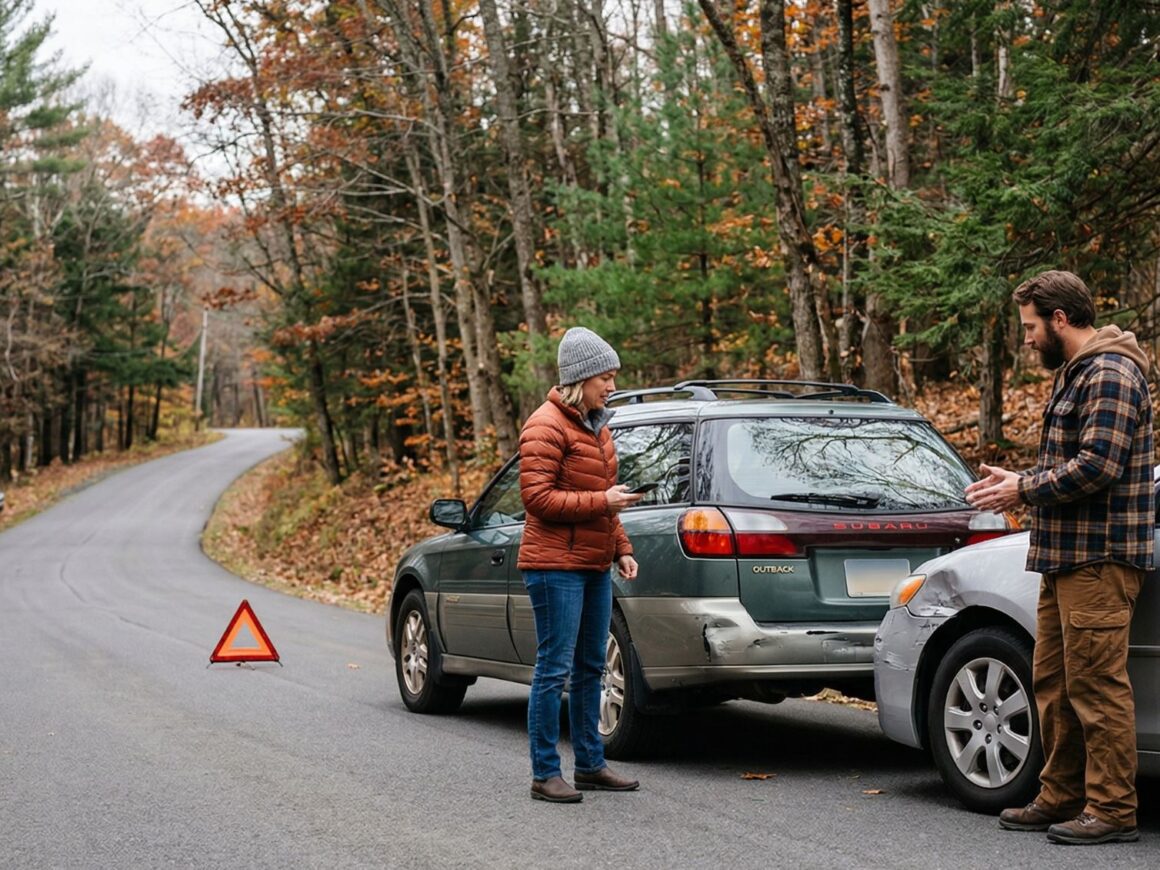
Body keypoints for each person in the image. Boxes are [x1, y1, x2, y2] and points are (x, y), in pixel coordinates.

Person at [965, 270, 1153, 845]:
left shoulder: (1112, 373)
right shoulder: (1078, 374)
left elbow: (1100, 465)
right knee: (1053, 682)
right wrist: (1021, 480)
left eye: (1030, 327)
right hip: (1064, 558)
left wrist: (1023, 487)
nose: (1026, 339)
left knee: (1097, 688)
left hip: (1099, 560)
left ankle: (1113, 810)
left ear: (1060, 320)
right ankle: (1062, 795)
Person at [517, 326, 642, 803]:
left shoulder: (599, 426)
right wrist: (601, 500)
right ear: (580, 378)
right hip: (552, 565)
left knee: (592, 667)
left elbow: (608, 502)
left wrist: (622, 548)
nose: (611, 386)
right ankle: (544, 773)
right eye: (605, 377)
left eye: (612, 377)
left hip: (594, 563)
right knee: (553, 669)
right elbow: (537, 498)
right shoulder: (544, 425)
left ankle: (590, 764)